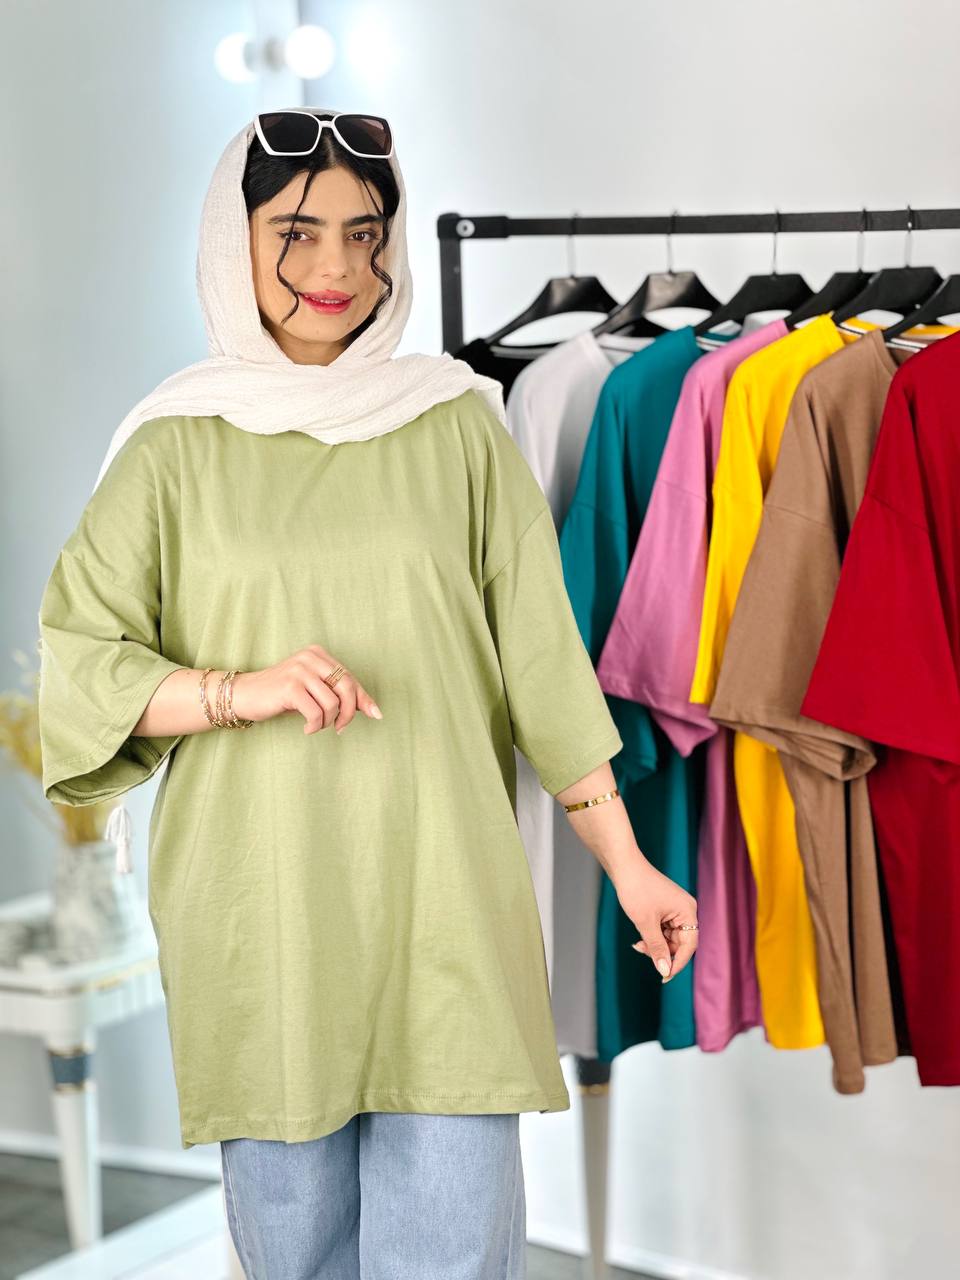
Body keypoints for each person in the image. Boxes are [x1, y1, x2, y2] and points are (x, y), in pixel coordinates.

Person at [36, 108, 698, 1279]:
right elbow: (83, 660)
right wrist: (242, 689)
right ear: (232, 240)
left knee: (456, 1249)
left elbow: (542, 663)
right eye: (295, 232)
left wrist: (630, 863)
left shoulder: (457, 421)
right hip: (259, 908)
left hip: (446, 897)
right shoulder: (171, 445)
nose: (335, 265)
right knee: (293, 1253)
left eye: (363, 231)